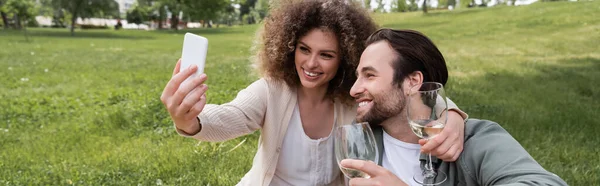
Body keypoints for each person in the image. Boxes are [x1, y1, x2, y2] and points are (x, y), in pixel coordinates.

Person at [160, 1, 467, 185]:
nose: (310, 63)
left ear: (345, 57)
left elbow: (414, 96)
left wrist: (452, 115)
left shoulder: (354, 96)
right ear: (289, 46)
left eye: (326, 55)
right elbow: (231, 117)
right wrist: (190, 119)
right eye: (304, 49)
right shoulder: (273, 90)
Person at [340, 28, 568, 186]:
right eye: (358, 76)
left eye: (369, 75)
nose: (354, 89)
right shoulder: (362, 140)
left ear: (413, 82)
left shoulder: (474, 139)